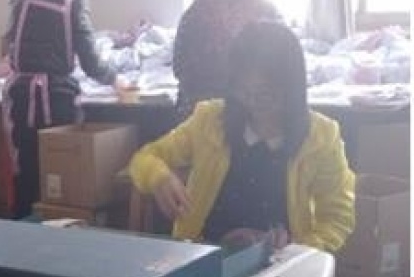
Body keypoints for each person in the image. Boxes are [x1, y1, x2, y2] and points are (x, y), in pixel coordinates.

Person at [129, 21, 355, 253]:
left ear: (291, 87)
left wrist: (295, 249)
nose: (253, 102)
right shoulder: (210, 120)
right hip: (205, 253)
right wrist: (159, 177)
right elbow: (144, 158)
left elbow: (337, 219)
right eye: (244, 91)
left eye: (265, 93)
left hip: (281, 263)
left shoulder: (321, 137)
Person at [1, 0, 128, 219]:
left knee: (26, 172)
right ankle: (61, 226)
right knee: (62, 175)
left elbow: (9, 48)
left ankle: (22, 226)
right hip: (57, 101)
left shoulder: (19, 5)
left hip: (21, 99)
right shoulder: (73, 8)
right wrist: (115, 79)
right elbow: (92, 63)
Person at [172, 0, 281, 119]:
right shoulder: (267, 11)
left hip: (201, 110)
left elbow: (178, 68)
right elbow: (283, 68)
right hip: (251, 112)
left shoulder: (194, 14)